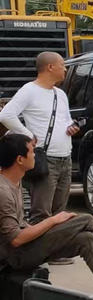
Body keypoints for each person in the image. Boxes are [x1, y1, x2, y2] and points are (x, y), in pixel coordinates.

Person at [0, 132, 93, 300]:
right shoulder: (3, 191)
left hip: (23, 248)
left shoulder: (15, 180)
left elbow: (19, 224)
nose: (35, 154)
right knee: (87, 220)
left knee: (86, 239)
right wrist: (53, 221)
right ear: (20, 160)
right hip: (15, 256)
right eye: (32, 151)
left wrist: (43, 226)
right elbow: (15, 240)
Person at [0, 53, 81, 265]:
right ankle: (37, 255)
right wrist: (28, 135)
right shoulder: (29, 90)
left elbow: (65, 120)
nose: (65, 69)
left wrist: (71, 127)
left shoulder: (60, 94)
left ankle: (56, 251)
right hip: (46, 158)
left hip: (65, 155)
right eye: (62, 65)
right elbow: (6, 115)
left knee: (59, 208)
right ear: (50, 67)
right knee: (42, 210)